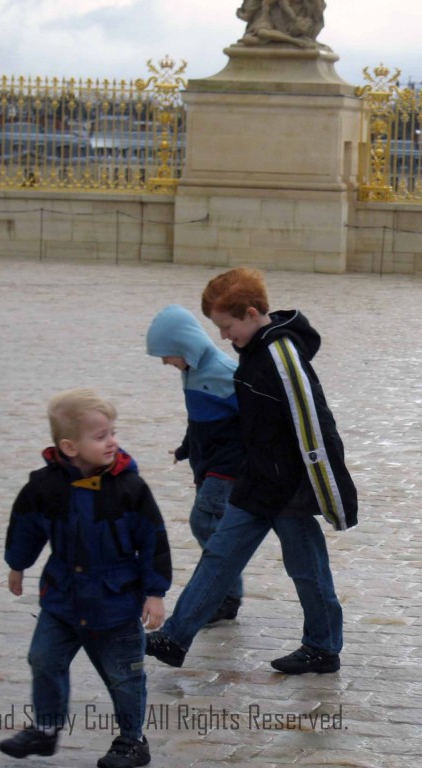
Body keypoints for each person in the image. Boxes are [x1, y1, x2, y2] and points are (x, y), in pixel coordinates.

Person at [146, 267, 357, 675]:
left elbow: (313, 423)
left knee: (307, 568)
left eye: (227, 326)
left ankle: (323, 646)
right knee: (220, 557)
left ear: (251, 313)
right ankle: (175, 638)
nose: (224, 337)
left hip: (288, 488)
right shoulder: (255, 351)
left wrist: (329, 492)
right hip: (257, 480)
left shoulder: (280, 355)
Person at [0, 388, 172, 768]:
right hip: (62, 599)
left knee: (125, 677)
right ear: (69, 447)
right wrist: (17, 564)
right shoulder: (44, 486)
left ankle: (131, 741)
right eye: (100, 436)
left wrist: (154, 593)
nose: (112, 442)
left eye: (113, 432)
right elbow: (26, 525)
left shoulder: (130, 489)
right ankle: (45, 729)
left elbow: (153, 541)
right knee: (43, 659)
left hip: (116, 603)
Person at [145, 304, 245, 624]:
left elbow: (253, 419)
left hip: (227, 468)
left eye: (168, 354)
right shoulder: (191, 373)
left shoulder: (224, 372)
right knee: (215, 530)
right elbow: (199, 420)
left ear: (186, 347)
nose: (164, 362)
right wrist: (186, 448)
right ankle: (226, 596)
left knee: (205, 524)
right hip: (207, 464)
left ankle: (225, 597)